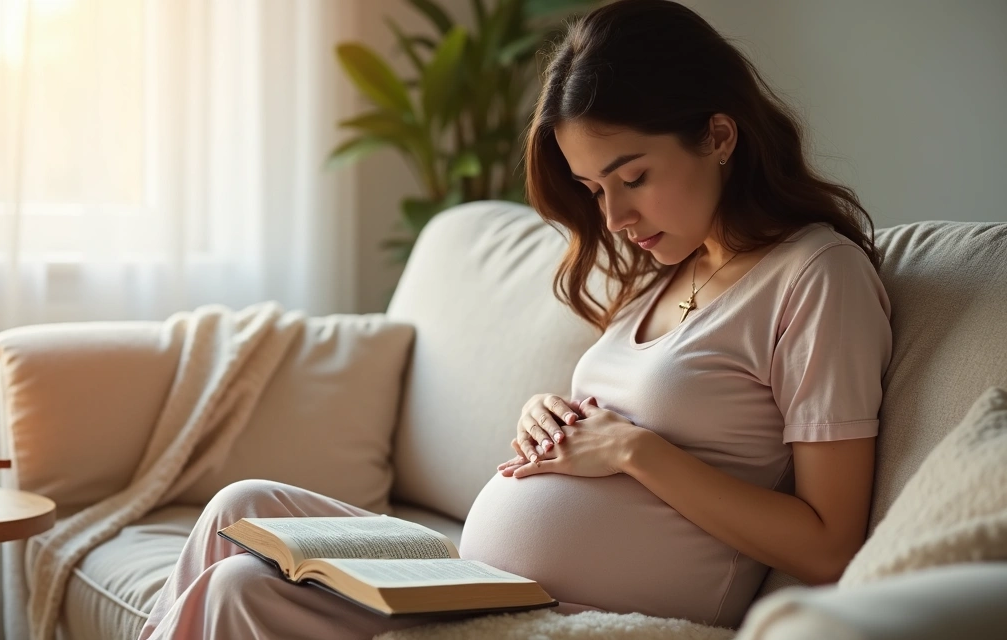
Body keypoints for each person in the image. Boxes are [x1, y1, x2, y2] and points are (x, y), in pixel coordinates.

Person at [138, 0, 892, 637]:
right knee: (241, 506)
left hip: (566, 611)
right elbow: (621, 420)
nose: (617, 216)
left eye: (633, 177)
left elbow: (828, 546)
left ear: (720, 137)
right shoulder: (672, 268)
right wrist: (548, 414)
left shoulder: (817, 278)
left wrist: (636, 452)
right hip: (482, 576)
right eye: (596, 189)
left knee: (244, 588)